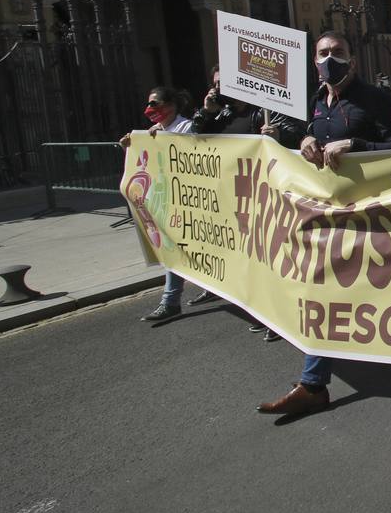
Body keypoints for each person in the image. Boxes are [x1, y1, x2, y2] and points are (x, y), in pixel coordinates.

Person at [256, 31, 391, 418]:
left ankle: (321, 377)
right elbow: (306, 145)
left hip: (373, 215)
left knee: (369, 286)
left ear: (353, 60)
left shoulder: (376, 99)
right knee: (323, 287)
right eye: (323, 53)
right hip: (327, 217)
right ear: (314, 62)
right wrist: (297, 139)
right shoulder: (312, 103)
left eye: (338, 53)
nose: (330, 59)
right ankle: (313, 384)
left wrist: (356, 146)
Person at [188, 66, 306, 333]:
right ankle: (262, 308)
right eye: (215, 84)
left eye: (224, 83)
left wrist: (277, 135)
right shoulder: (223, 114)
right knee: (249, 260)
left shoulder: (263, 110)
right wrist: (206, 111)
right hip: (233, 198)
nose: (219, 89)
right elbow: (193, 140)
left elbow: (294, 134)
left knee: (271, 257)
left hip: (265, 196)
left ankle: (281, 315)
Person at [120, 87, 195, 322]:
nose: (151, 109)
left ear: (172, 105)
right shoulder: (154, 132)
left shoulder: (186, 128)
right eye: (149, 103)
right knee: (173, 248)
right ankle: (170, 302)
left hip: (191, 202)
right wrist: (134, 146)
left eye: (156, 103)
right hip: (169, 204)